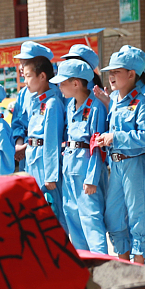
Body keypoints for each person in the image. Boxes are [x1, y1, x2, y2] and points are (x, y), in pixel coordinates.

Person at [97, 46, 145, 264]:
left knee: (139, 216)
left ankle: (140, 264)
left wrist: (116, 137)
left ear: (132, 74)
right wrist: (106, 141)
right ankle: (123, 260)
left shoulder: (142, 100)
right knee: (113, 217)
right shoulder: (114, 99)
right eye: (110, 72)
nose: (111, 76)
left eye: (116, 72)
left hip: (135, 163)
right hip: (117, 165)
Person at [52, 59, 108, 254]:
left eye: (63, 82)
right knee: (72, 217)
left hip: (85, 172)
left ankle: (102, 270)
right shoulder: (69, 106)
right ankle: (85, 269)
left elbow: (97, 146)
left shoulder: (96, 107)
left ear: (76, 83)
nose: (59, 87)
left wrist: (92, 178)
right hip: (69, 169)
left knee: (90, 219)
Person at [15, 43, 67, 228]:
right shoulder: (35, 99)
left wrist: (51, 174)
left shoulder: (53, 102)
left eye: (28, 75)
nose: (25, 79)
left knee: (53, 214)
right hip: (32, 159)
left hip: (45, 165)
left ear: (42, 75)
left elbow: (52, 140)